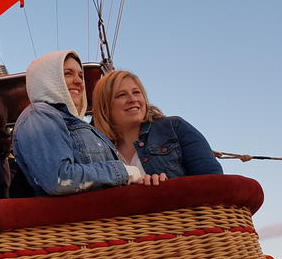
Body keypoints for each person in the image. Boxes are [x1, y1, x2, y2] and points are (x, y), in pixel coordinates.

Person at [12, 50, 160, 197]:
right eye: (67, 73)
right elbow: (59, 178)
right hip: (78, 219)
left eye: (80, 75)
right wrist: (125, 171)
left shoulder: (74, 123)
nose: (79, 81)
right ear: (47, 78)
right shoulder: (39, 115)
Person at [91, 69, 223, 178]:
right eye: (121, 95)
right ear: (105, 106)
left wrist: (166, 189)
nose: (133, 99)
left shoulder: (174, 128)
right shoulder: (95, 150)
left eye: (137, 92)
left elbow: (213, 181)